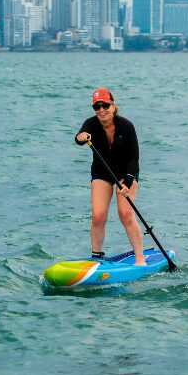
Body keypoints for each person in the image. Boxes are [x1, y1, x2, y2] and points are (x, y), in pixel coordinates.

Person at [74, 88, 146, 266]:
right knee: (98, 216)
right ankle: (96, 257)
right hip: (102, 172)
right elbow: (79, 137)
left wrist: (128, 182)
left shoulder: (127, 126)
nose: (101, 110)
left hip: (125, 173)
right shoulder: (91, 124)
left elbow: (134, 158)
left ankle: (140, 259)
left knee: (125, 214)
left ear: (113, 106)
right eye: (97, 107)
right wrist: (81, 137)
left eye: (105, 105)